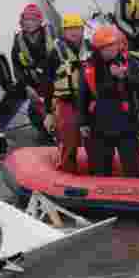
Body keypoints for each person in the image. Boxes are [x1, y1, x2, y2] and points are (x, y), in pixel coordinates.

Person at [80, 26, 139, 177]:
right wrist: (83, 122)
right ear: (98, 49)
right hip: (99, 125)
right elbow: (83, 95)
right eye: (106, 47)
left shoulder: (129, 62)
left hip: (126, 124)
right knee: (101, 170)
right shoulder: (89, 66)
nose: (111, 49)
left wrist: (124, 77)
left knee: (133, 169)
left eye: (113, 45)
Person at [46, 13, 89, 173]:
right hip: (66, 100)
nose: (74, 32)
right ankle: (67, 169)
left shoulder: (91, 48)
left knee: (94, 137)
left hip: (89, 100)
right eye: (70, 28)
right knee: (68, 136)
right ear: (63, 31)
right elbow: (47, 83)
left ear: (83, 30)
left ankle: (97, 169)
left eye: (77, 28)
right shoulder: (55, 52)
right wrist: (48, 112)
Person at [9, 3, 55, 141]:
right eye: (26, 20)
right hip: (35, 83)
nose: (29, 23)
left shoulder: (51, 34)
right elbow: (17, 66)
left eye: (33, 20)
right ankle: (46, 136)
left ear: (39, 21)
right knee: (34, 112)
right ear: (22, 22)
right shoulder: (18, 40)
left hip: (54, 79)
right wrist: (27, 87)